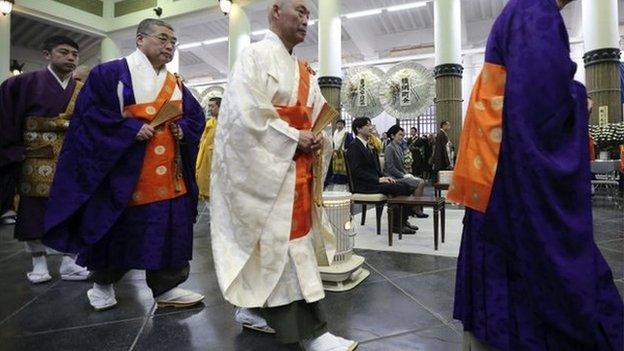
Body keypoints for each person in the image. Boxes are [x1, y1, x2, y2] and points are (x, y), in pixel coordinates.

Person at [447, 0, 623, 349]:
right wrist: (577, 99)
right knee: (544, 280)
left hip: (496, 168)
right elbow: (540, 107)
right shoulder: (535, 12)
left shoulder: (522, 9)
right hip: (511, 179)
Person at [210, 1, 357, 350]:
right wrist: (293, 135)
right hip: (270, 171)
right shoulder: (253, 56)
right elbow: (243, 118)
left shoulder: (303, 69)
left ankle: (252, 309)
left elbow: (318, 115)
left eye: (309, 14)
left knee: (290, 245)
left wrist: (318, 136)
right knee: (280, 247)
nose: (306, 20)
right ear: (276, 11)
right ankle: (311, 333)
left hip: (297, 169)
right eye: (300, 11)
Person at [43, 18, 206, 311]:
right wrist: (128, 130)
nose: (169, 46)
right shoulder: (110, 74)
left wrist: (184, 129)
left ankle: (166, 287)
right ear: (140, 39)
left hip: (169, 171)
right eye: (162, 39)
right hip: (125, 171)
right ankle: (102, 284)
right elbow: (89, 117)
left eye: (173, 42)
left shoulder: (176, 82)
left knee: (169, 227)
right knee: (117, 229)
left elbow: (195, 117)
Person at [0, 35, 89, 283]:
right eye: (63, 52)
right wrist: (13, 151)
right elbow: (6, 119)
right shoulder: (22, 83)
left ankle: (70, 261)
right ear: (47, 55)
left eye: (74, 54)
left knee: (73, 208)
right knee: (34, 211)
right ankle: (38, 262)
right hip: (35, 156)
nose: (70, 57)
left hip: (71, 158)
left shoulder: (82, 89)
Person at [346, 118, 417, 234]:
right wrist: (378, 179)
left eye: (370, 125)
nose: (371, 127)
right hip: (364, 185)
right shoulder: (354, 146)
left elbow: (375, 169)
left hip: (373, 182)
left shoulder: (367, 145)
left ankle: (402, 220)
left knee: (407, 185)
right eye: (367, 125)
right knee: (400, 188)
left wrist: (385, 177)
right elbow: (357, 171)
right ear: (358, 129)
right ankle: (396, 225)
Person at [384, 125, 428, 218]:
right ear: (392, 136)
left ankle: (413, 207)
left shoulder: (399, 147)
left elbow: (401, 166)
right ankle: (416, 209)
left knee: (420, 180)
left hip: (400, 175)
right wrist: (403, 175)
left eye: (403, 136)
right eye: (400, 135)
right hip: (392, 177)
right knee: (420, 182)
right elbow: (390, 168)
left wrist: (407, 174)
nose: (402, 138)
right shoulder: (389, 148)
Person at [195, 96, 221, 199]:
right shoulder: (209, 123)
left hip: (217, 164)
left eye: (212, 106)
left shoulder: (224, 124)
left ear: (220, 107)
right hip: (205, 162)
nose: (209, 109)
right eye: (209, 106)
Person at [330, 119, 353, 185]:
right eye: (338, 124)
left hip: (343, 153)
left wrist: (347, 150)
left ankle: (343, 180)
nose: (339, 125)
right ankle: (336, 180)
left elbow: (350, 144)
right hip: (335, 153)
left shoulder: (347, 134)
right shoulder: (335, 133)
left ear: (344, 125)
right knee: (336, 167)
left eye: (341, 124)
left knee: (343, 167)